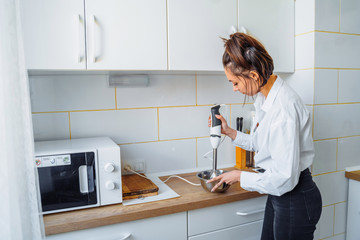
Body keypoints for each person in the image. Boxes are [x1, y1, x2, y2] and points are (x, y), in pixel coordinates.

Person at [207, 32, 322, 240]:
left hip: (294, 196)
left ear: (253, 76)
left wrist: (240, 176)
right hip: (281, 195)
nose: (234, 89)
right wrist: (230, 132)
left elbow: (284, 178)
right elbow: (261, 143)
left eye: (235, 83)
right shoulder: (265, 97)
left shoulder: (283, 109)